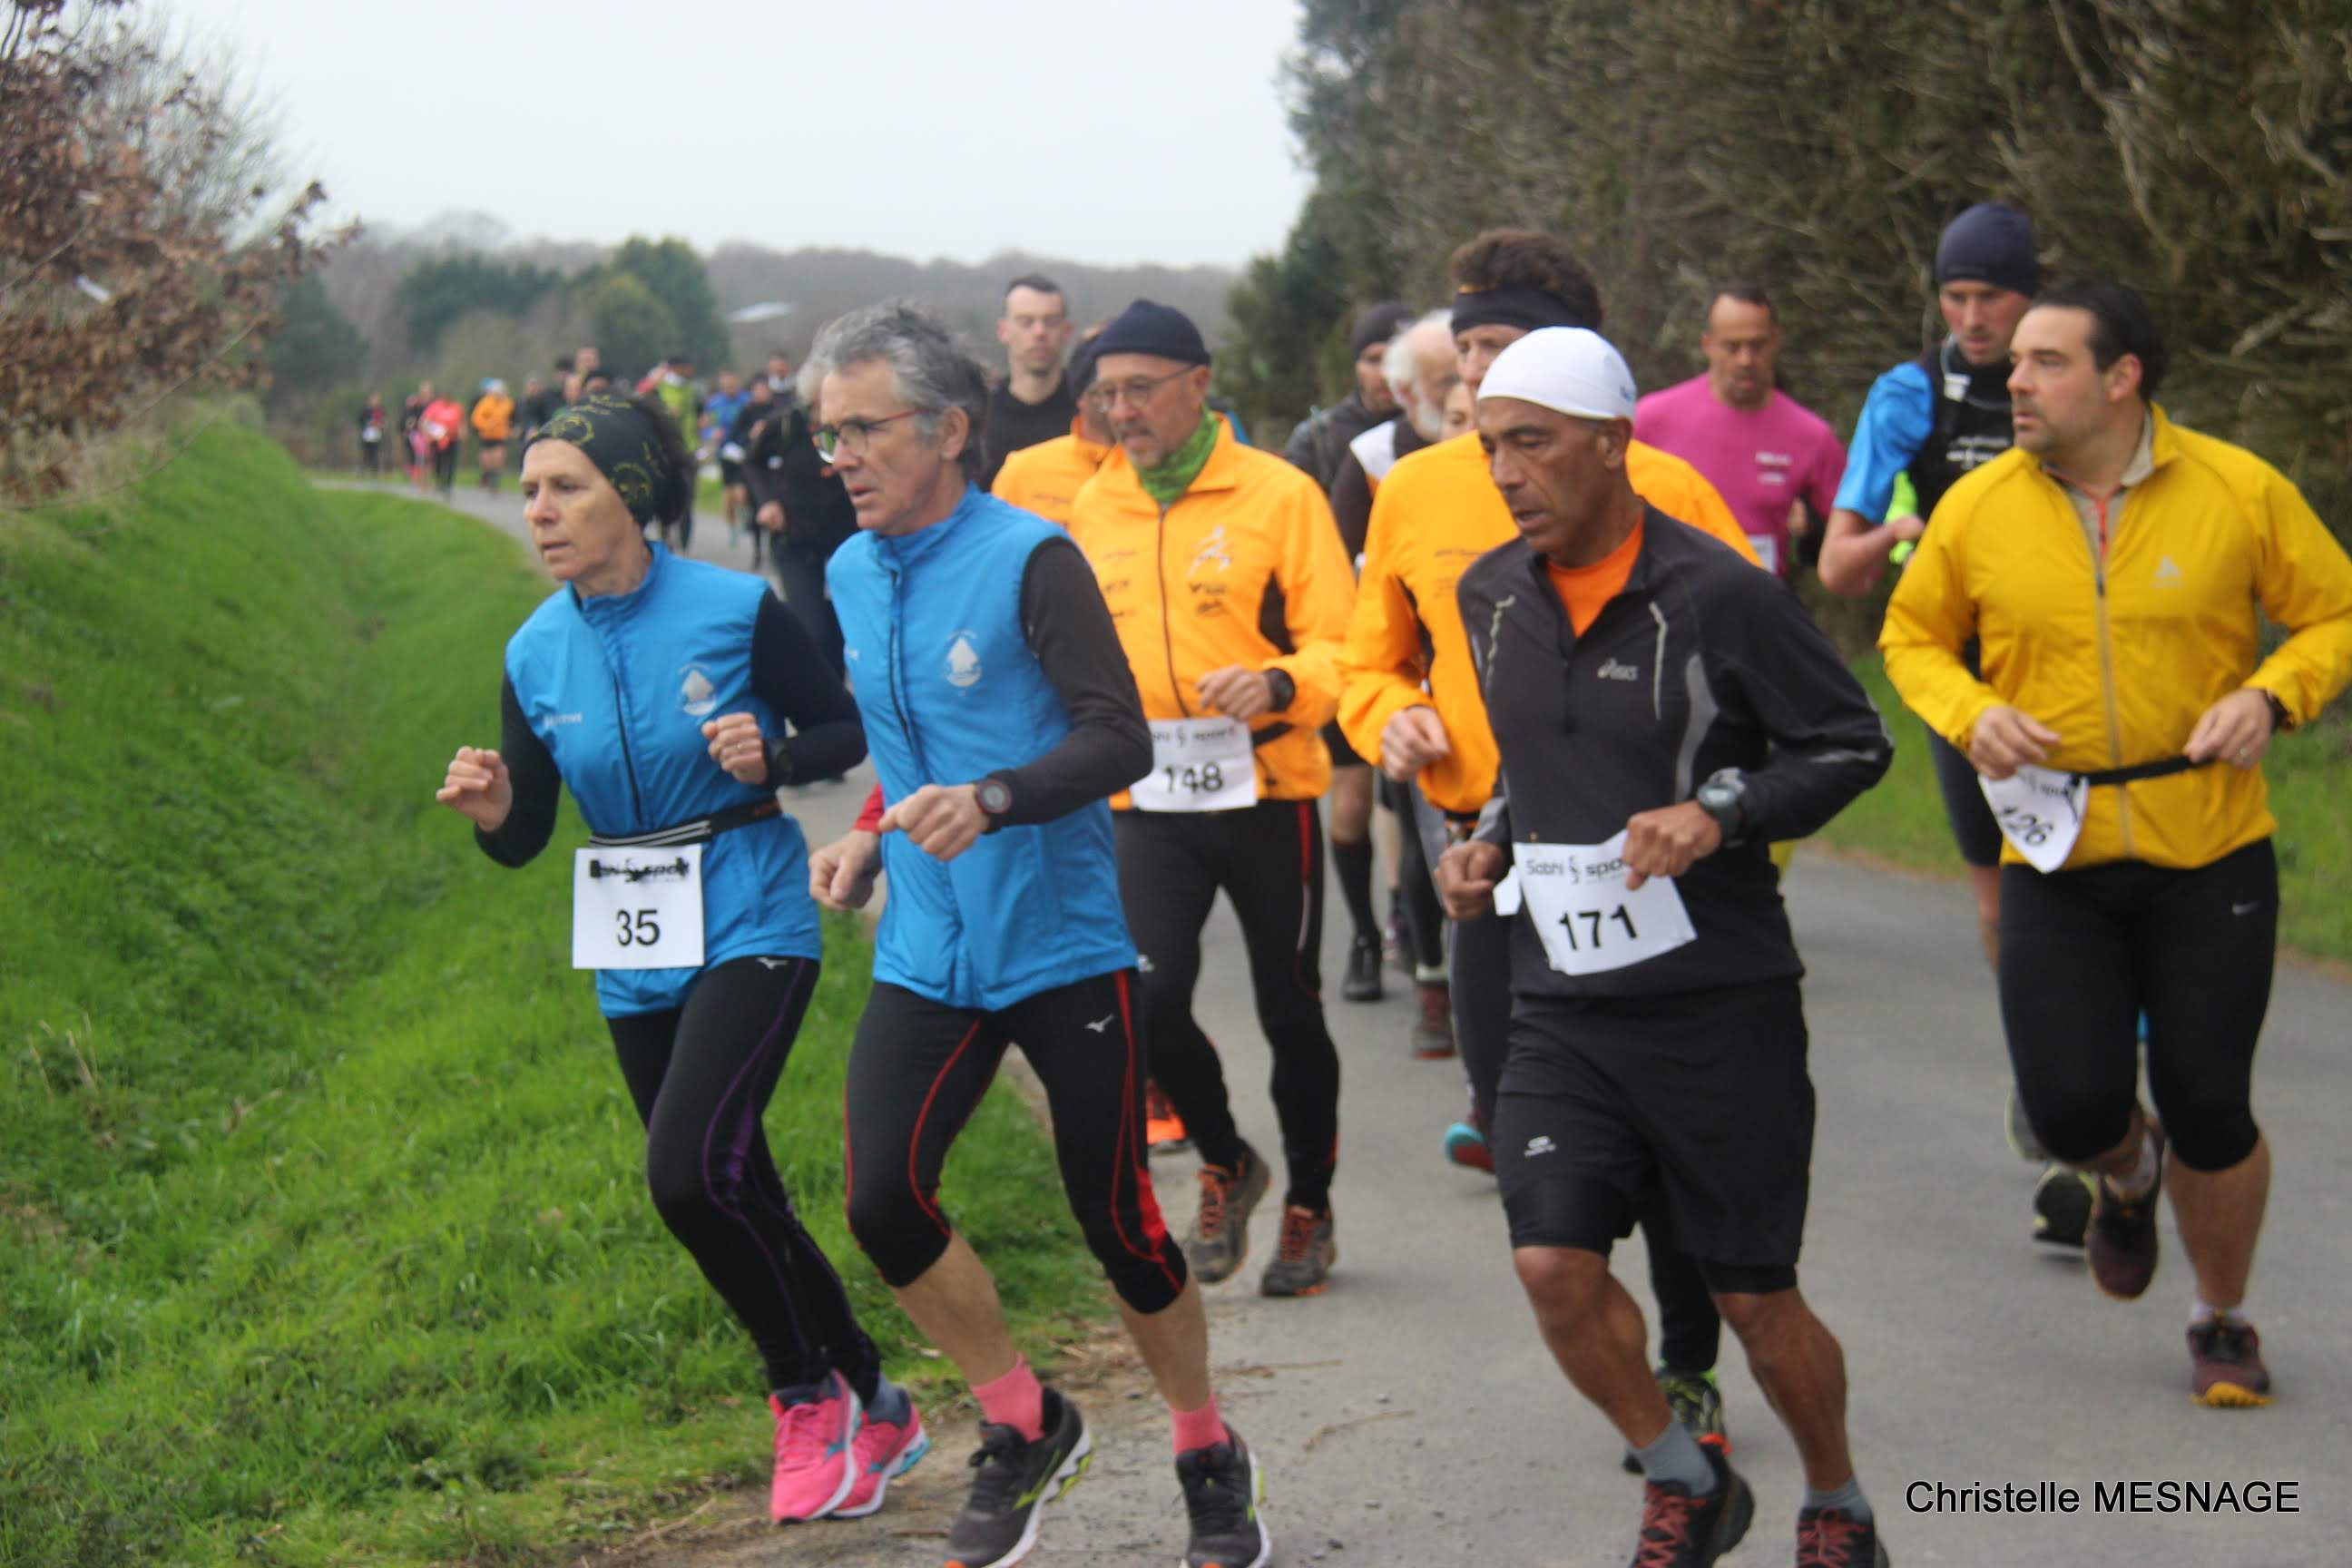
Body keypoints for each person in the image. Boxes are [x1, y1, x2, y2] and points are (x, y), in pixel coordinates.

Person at [801, 301, 1270, 1568]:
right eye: (829, 433)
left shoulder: (1032, 559)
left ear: (950, 430)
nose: (841, 456)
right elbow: (908, 743)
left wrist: (996, 798)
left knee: (1117, 1221)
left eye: (866, 429)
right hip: (929, 948)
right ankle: (1024, 1420)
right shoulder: (849, 572)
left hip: (1059, 944)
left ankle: (1205, 1447)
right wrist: (869, 830)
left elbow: (1118, 738)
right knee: (884, 1202)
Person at [1438, 326, 1895, 1568]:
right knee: (1551, 1263)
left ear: (1610, 443)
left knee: (1754, 1298)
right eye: (1491, 448)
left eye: (1532, 444)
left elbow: (1851, 743)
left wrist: (1721, 812)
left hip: (1714, 1001)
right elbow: (1534, 766)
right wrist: (1485, 843)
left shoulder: (1722, 595)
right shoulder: (1489, 595)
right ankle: (1686, 1478)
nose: (1508, 473)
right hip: (1562, 1000)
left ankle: (1837, 1501)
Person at [432, 390, 926, 1526]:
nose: (539, 511)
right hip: (630, 932)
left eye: (566, 488)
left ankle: (803, 1397)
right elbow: (523, 835)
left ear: (632, 495)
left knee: (687, 1176)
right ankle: (876, 1399)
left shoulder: (734, 609)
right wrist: (495, 810)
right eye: (530, 492)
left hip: (749, 909)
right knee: (738, 1182)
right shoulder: (532, 651)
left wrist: (775, 755)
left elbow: (845, 731)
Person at [1882, 280, 2352, 1408]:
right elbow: (1912, 637)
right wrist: (1970, 712)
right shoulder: (1980, 505)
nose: (2013, 381)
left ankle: (2221, 1316)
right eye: (2015, 363)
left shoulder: (2238, 490)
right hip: (2057, 848)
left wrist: (2272, 696)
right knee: (2069, 1110)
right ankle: (2128, 1177)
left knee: (2211, 1103)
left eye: (2046, 362)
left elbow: (2335, 613)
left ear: (2122, 377)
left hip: (2210, 845)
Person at [1340, 230, 1761, 1457]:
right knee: (1531, 1141)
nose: (1473, 374)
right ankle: (1626, 1363)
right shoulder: (1417, 489)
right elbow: (1367, 661)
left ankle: (1687, 1364)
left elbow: (1753, 670)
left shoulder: (1670, 488)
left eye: (1500, 347)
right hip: (1489, 863)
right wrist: (1388, 713)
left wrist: (1716, 810)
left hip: (1641, 858)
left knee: (1665, 1141)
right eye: (1464, 349)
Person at [1065, 299, 1357, 1301]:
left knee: (1291, 1008)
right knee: (1145, 998)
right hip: (1147, 799)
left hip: (1267, 792)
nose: (1122, 411)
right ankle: (1230, 1161)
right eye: (1108, 394)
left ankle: (1310, 1205)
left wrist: (1279, 682)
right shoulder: (1093, 507)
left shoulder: (1279, 494)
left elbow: (1343, 644)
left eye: (1141, 389)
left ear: (1199, 384)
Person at [1814, 203, 2091, 1247]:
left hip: (2084, 675)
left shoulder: (2074, 378)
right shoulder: (1911, 396)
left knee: (2108, 882)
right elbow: (1840, 566)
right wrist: (1905, 531)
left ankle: (2091, 1095)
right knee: (2007, 902)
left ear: (2032, 297)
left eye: (1993, 297)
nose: (1972, 318)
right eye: (1955, 297)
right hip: (1968, 691)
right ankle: (2051, 1078)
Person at [1325, 310, 1461, 1037]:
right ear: (1409, 393)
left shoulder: (1501, 446)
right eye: (1445, 381)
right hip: (1400, 673)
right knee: (1413, 825)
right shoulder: (1373, 458)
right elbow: (1346, 576)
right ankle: (1425, 973)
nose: (1463, 388)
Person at [1633, 286, 1845, 582]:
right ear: (1708, 344)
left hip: (1760, 600)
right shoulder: (1650, 420)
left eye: (1757, 346)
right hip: (1668, 598)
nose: (1745, 360)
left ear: (1776, 341)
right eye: (1732, 347)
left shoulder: (1812, 436)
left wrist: (1811, 527)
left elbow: (1849, 538)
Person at [743, 371, 857, 678]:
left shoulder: (852, 427)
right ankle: (824, 693)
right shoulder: (785, 425)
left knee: (846, 629)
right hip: (796, 542)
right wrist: (767, 502)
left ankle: (838, 691)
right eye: (821, 403)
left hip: (846, 540)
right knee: (811, 629)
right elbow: (752, 462)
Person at [1281, 300, 1411, 491]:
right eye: (1373, 360)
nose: (1384, 374)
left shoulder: (1437, 428)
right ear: (1357, 366)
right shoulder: (1318, 439)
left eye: (1395, 360)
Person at [989, 336, 1112, 524]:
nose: (1122, 404)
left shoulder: (1154, 470)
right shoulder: (1023, 472)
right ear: (1081, 396)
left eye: (1137, 389)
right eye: (1108, 391)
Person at [978, 273, 1077, 488]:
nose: (1040, 332)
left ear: (1067, 331)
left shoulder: (1088, 413)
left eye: (1051, 322)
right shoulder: (979, 417)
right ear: (1003, 331)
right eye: (1026, 322)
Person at [652, 356, 701, 552]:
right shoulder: (659, 389)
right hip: (666, 450)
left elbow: (699, 412)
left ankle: (684, 544)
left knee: (688, 496)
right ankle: (665, 538)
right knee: (665, 495)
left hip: (688, 449)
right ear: (676, 368)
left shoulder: (690, 390)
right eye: (687, 367)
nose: (691, 371)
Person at [705, 368, 750, 546]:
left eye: (732, 385)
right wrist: (711, 433)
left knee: (741, 491)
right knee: (728, 493)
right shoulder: (714, 404)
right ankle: (732, 527)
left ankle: (745, 516)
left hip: (743, 450)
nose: (730, 388)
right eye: (726, 385)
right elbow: (706, 427)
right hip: (724, 452)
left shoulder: (746, 400)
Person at [470, 379, 514, 493]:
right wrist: (486, 425)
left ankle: (495, 484)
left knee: (499, 459)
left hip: (501, 436)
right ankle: (486, 476)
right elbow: (476, 419)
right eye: (496, 392)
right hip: (486, 436)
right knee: (486, 461)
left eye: (500, 392)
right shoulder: (485, 403)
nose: (498, 395)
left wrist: (512, 428)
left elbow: (513, 417)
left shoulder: (508, 404)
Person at [421, 386, 466, 498]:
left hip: (452, 439)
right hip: (437, 440)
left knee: (451, 462)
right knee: (438, 462)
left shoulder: (457, 407)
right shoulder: (435, 407)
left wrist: (463, 432)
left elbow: (462, 422)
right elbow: (425, 422)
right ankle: (439, 480)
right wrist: (428, 433)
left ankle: (448, 484)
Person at [357, 393, 387, 475]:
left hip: (376, 433)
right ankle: (364, 468)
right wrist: (368, 423)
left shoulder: (381, 410)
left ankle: (375, 469)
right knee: (366, 452)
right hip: (367, 433)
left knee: (375, 451)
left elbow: (384, 421)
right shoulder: (366, 410)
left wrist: (380, 425)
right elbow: (360, 421)